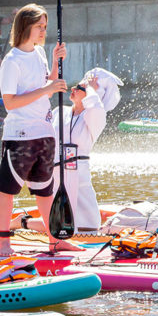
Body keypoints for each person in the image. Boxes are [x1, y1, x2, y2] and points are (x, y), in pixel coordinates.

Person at [0, 4, 79, 258]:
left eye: (45, 26)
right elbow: (9, 102)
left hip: (44, 132)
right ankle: (4, 243)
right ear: (25, 27)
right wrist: (46, 90)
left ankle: (55, 240)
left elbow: (46, 81)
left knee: (44, 190)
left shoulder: (40, 53)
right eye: (39, 26)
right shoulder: (11, 61)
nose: (43, 31)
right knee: (7, 189)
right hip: (20, 136)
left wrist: (54, 62)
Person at [53, 69, 122, 231]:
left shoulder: (96, 117)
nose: (73, 89)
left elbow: (96, 106)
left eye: (79, 88)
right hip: (55, 174)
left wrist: (90, 87)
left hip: (79, 177)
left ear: (93, 95)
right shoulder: (59, 111)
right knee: (56, 221)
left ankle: (24, 222)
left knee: (88, 225)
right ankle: (23, 222)